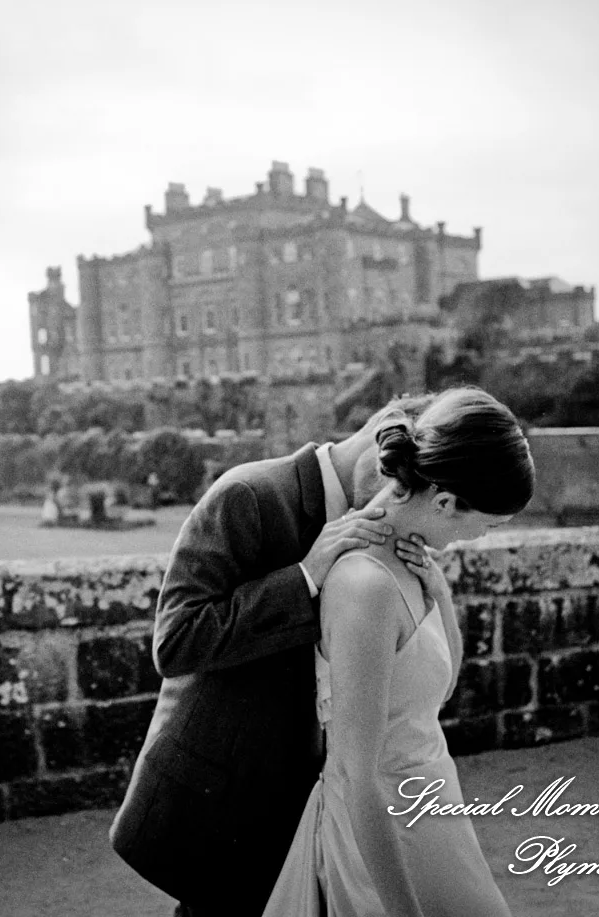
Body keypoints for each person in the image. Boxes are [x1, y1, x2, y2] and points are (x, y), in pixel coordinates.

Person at [110, 393, 452, 917]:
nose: (395, 499)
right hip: (221, 799)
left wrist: (437, 592)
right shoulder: (249, 494)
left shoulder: (393, 523)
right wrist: (305, 577)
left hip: (315, 804)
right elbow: (176, 642)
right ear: (385, 429)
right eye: (396, 479)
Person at [261, 387, 533, 916]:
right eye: (491, 523)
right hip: (385, 830)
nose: (482, 536)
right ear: (447, 502)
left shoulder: (411, 564)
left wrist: (441, 593)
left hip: (432, 804)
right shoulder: (365, 585)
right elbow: (356, 776)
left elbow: (441, 688)